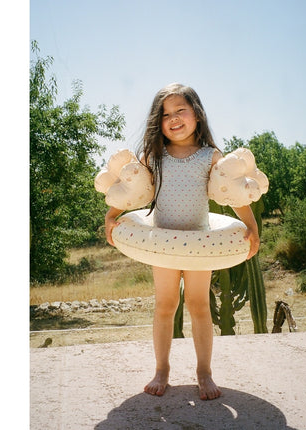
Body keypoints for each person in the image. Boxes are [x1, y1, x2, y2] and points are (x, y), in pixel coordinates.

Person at [104, 83, 260, 400]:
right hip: (162, 244)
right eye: (166, 114)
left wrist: (252, 227)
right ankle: (162, 370)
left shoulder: (209, 156)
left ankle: (204, 373)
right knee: (165, 306)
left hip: (199, 245)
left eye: (181, 111)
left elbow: (231, 193)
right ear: (157, 122)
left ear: (197, 116)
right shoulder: (154, 156)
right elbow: (135, 190)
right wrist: (111, 215)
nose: (174, 119)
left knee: (199, 306)